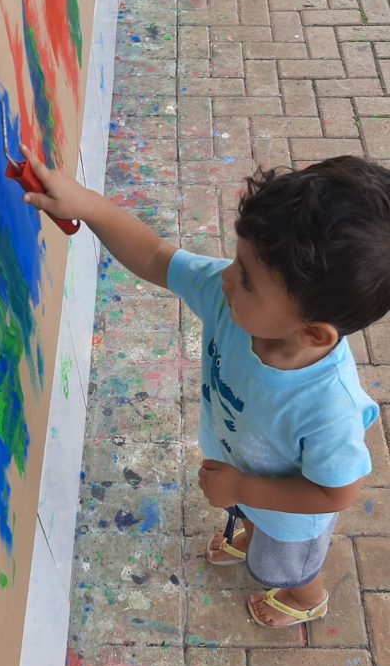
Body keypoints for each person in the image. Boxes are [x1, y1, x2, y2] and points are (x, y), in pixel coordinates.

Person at [20, 147, 389, 630]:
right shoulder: (228, 298)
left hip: (291, 521)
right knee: (246, 513)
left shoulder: (328, 406)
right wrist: (86, 205)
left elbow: (336, 492)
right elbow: (156, 257)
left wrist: (242, 487)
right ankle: (249, 527)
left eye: (247, 281)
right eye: (237, 261)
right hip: (238, 476)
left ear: (313, 334)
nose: (226, 279)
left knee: (289, 567)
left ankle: (306, 599)